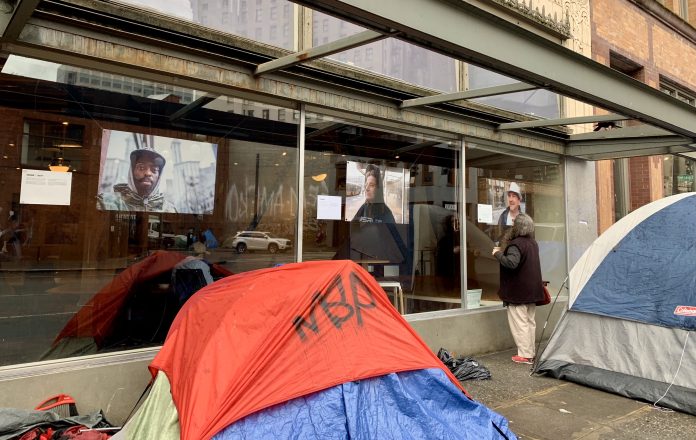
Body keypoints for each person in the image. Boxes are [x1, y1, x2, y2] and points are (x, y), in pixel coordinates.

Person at [492, 213, 544, 365]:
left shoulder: (516, 245)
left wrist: (498, 253)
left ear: (518, 227)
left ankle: (525, 355)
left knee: (520, 323)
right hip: (532, 291)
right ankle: (530, 353)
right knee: (529, 322)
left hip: (518, 292)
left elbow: (511, 263)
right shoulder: (533, 243)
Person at [97, 147, 176, 213]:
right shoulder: (105, 203)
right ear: (131, 172)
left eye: (154, 170)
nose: (148, 173)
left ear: (159, 177)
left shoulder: (169, 210)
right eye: (141, 167)